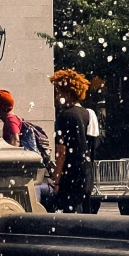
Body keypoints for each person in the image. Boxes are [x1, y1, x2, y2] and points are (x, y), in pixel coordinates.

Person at [49, 69, 96, 213]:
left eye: (59, 93)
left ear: (68, 93)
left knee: (68, 218)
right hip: (86, 174)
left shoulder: (64, 116)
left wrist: (56, 180)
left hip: (70, 176)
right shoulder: (90, 114)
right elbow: (93, 146)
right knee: (85, 216)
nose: (57, 98)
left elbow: (61, 152)